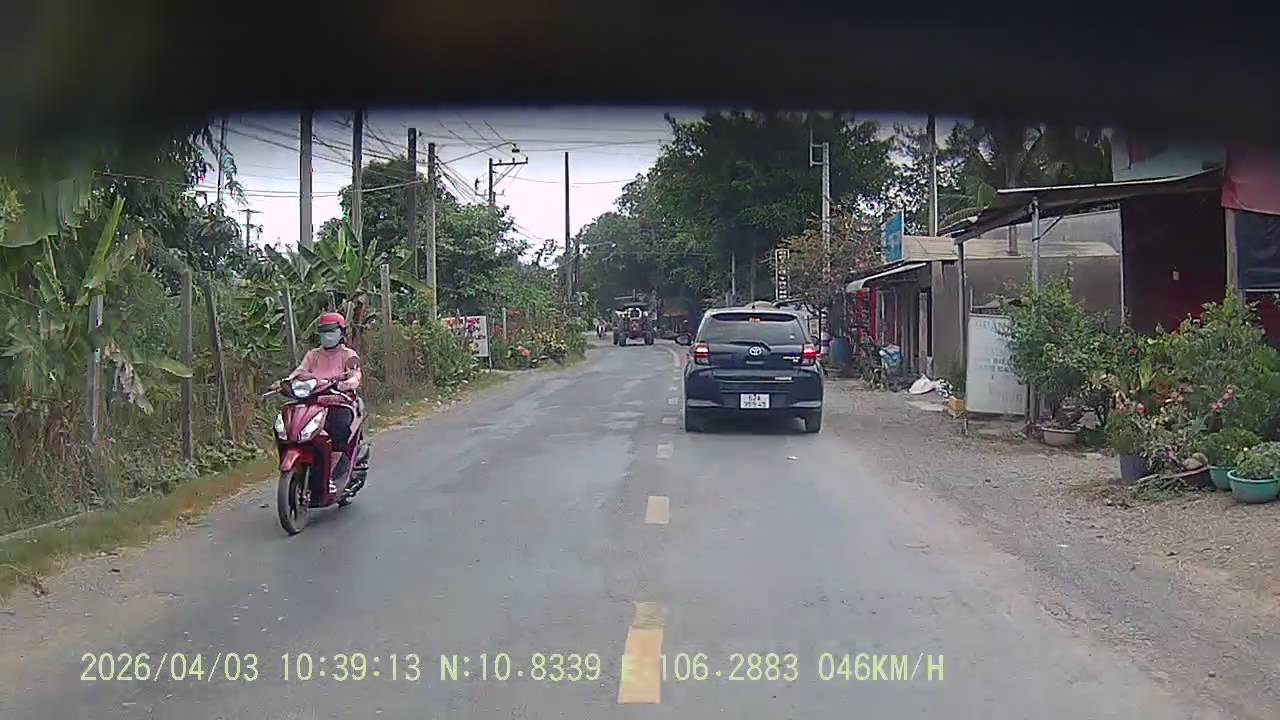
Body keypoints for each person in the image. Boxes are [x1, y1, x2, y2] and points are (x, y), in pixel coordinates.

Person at [286, 312, 362, 492]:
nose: (327, 336)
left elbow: (355, 376)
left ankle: (331, 475)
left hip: (338, 402)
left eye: (332, 332)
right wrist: (287, 381)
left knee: (339, 429)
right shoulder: (312, 355)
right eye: (324, 332)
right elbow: (299, 372)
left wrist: (346, 384)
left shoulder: (349, 355)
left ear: (341, 333)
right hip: (314, 403)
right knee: (293, 426)